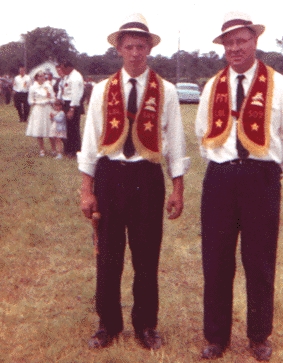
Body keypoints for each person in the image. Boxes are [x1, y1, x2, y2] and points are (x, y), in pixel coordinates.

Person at [195, 11, 283, 361]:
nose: (235, 48)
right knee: (216, 260)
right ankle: (216, 337)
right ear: (222, 47)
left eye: (241, 40)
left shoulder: (279, 84)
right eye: (228, 43)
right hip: (221, 178)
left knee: (259, 261)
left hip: (261, 179)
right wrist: (223, 166)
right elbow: (203, 135)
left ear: (255, 41)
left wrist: (277, 171)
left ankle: (259, 336)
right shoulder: (214, 85)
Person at [78, 13, 190, 350]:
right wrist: (87, 190)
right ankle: (107, 324)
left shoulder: (166, 91)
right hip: (111, 176)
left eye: (141, 46)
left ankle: (146, 325)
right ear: (119, 48)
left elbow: (176, 140)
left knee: (146, 256)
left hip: (147, 176)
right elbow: (89, 140)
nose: (135, 52)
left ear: (149, 48)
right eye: (129, 46)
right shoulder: (101, 90)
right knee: (108, 255)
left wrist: (178, 189)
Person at [26, 71, 56, 156]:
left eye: (43, 76)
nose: (42, 78)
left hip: (47, 108)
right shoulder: (33, 87)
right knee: (39, 129)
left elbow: (53, 98)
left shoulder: (48, 86)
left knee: (50, 129)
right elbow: (30, 101)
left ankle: (53, 149)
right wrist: (37, 102)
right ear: (36, 78)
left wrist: (47, 101)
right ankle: (42, 149)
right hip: (38, 109)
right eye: (40, 76)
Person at [57, 60, 84, 157]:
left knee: (73, 128)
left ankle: (75, 150)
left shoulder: (75, 77)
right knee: (67, 128)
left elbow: (76, 94)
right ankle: (68, 148)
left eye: (63, 68)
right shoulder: (68, 76)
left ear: (69, 67)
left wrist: (72, 109)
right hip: (66, 103)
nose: (62, 70)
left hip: (73, 104)